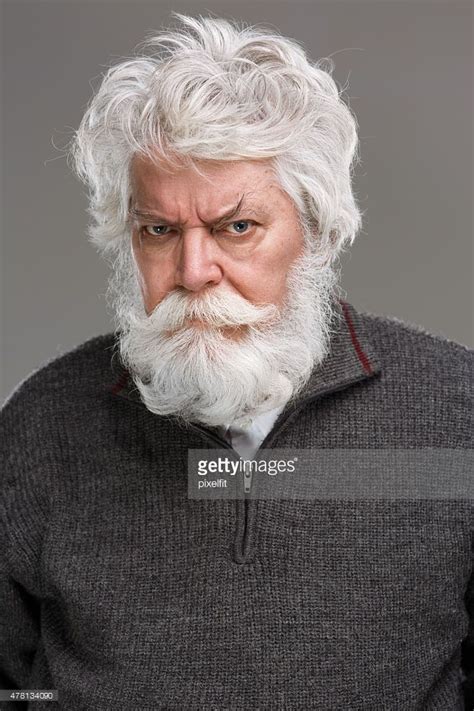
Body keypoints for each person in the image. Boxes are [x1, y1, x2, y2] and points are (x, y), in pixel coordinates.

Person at [1, 13, 472, 711]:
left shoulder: (456, 416)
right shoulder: (42, 427)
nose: (193, 271)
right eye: (160, 230)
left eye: (236, 227)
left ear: (316, 231)